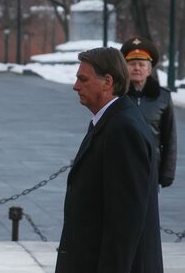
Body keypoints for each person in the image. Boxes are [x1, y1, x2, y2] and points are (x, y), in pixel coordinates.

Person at [55, 47, 163, 273]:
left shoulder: (122, 129)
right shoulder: (109, 121)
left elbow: (125, 221)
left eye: (83, 79)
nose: (76, 86)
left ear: (107, 82)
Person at [120, 36, 177, 188]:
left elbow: (169, 139)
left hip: (150, 169)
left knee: (148, 211)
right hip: (119, 168)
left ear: (149, 69)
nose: (136, 68)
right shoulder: (116, 95)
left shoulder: (163, 97)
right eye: (132, 64)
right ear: (125, 68)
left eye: (141, 64)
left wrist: (167, 173)